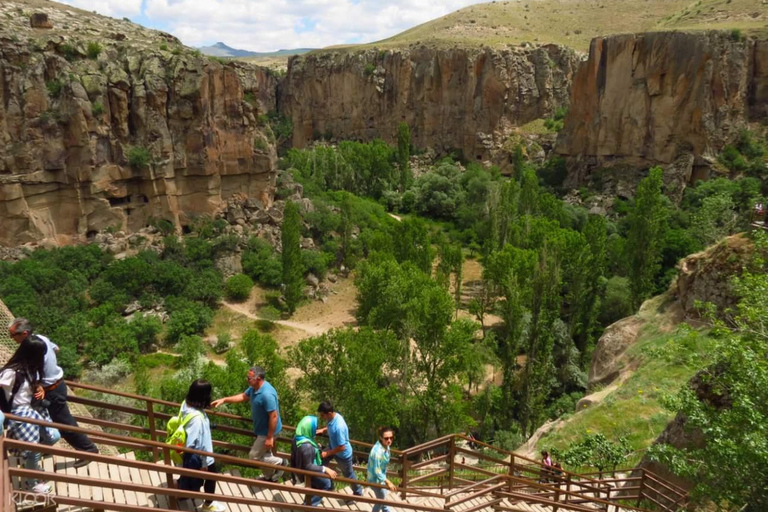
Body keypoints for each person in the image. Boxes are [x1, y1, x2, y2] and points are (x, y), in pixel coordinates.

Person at [9, 318, 98, 468]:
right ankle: (42, 446)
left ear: (24, 333)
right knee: (45, 419)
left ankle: (88, 450)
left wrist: (38, 385)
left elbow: (33, 372)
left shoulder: (32, 350)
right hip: (57, 385)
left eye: (13, 335)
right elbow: (56, 348)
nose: (12, 338)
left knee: (63, 423)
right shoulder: (41, 338)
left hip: (50, 391)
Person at [1, 336, 61, 493]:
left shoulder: (32, 369)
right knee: (33, 448)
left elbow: (31, 385)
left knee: (53, 436)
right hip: (18, 412)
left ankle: (29, 463)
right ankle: (31, 483)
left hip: (31, 409)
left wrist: (39, 387)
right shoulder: (11, 373)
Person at [211, 366, 287, 482]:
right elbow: (243, 396)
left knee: (254, 457)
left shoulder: (267, 394)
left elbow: (274, 416)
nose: (247, 379)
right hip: (261, 430)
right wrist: (224, 400)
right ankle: (269, 477)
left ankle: (280, 463)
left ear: (259, 378)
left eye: (249, 378)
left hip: (267, 432)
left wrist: (270, 437)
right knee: (265, 455)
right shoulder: (254, 388)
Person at [177, 380, 226, 512]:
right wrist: (204, 464)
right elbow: (195, 444)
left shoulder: (185, 404)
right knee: (212, 477)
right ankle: (208, 505)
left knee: (187, 472)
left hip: (190, 454)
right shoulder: (197, 419)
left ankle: (181, 493)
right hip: (204, 456)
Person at [317, 401, 362, 498]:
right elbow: (330, 428)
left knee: (348, 475)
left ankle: (358, 493)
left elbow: (342, 447)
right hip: (334, 447)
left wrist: (328, 453)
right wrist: (323, 430)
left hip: (343, 454)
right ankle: (329, 485)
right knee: (321, 461)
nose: (321, 417)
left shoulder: (339, 426)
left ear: (329, 413)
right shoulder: (332, 418)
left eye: (322, 415)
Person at [289, 415, 338, 506]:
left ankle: (307, 501)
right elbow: (308, 466)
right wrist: (325, 469)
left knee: (318, 484)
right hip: (306, 471)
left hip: (299, 468)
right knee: (326, 483)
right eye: (314, 427)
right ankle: (310, 505)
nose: (316, 429)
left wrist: (316, 448)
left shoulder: (297, 437)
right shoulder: (307, 447)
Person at [366, 427, 398, 512]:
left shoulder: (385, 446)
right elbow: (377, 471)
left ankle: (386, 510)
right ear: (380, 438)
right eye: (386, 438)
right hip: (375, 480)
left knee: (382, 499)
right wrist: (389, 482)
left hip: (381, 478)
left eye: (391, 438)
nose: (389, 440)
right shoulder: (377, 452)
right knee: (380, 501)